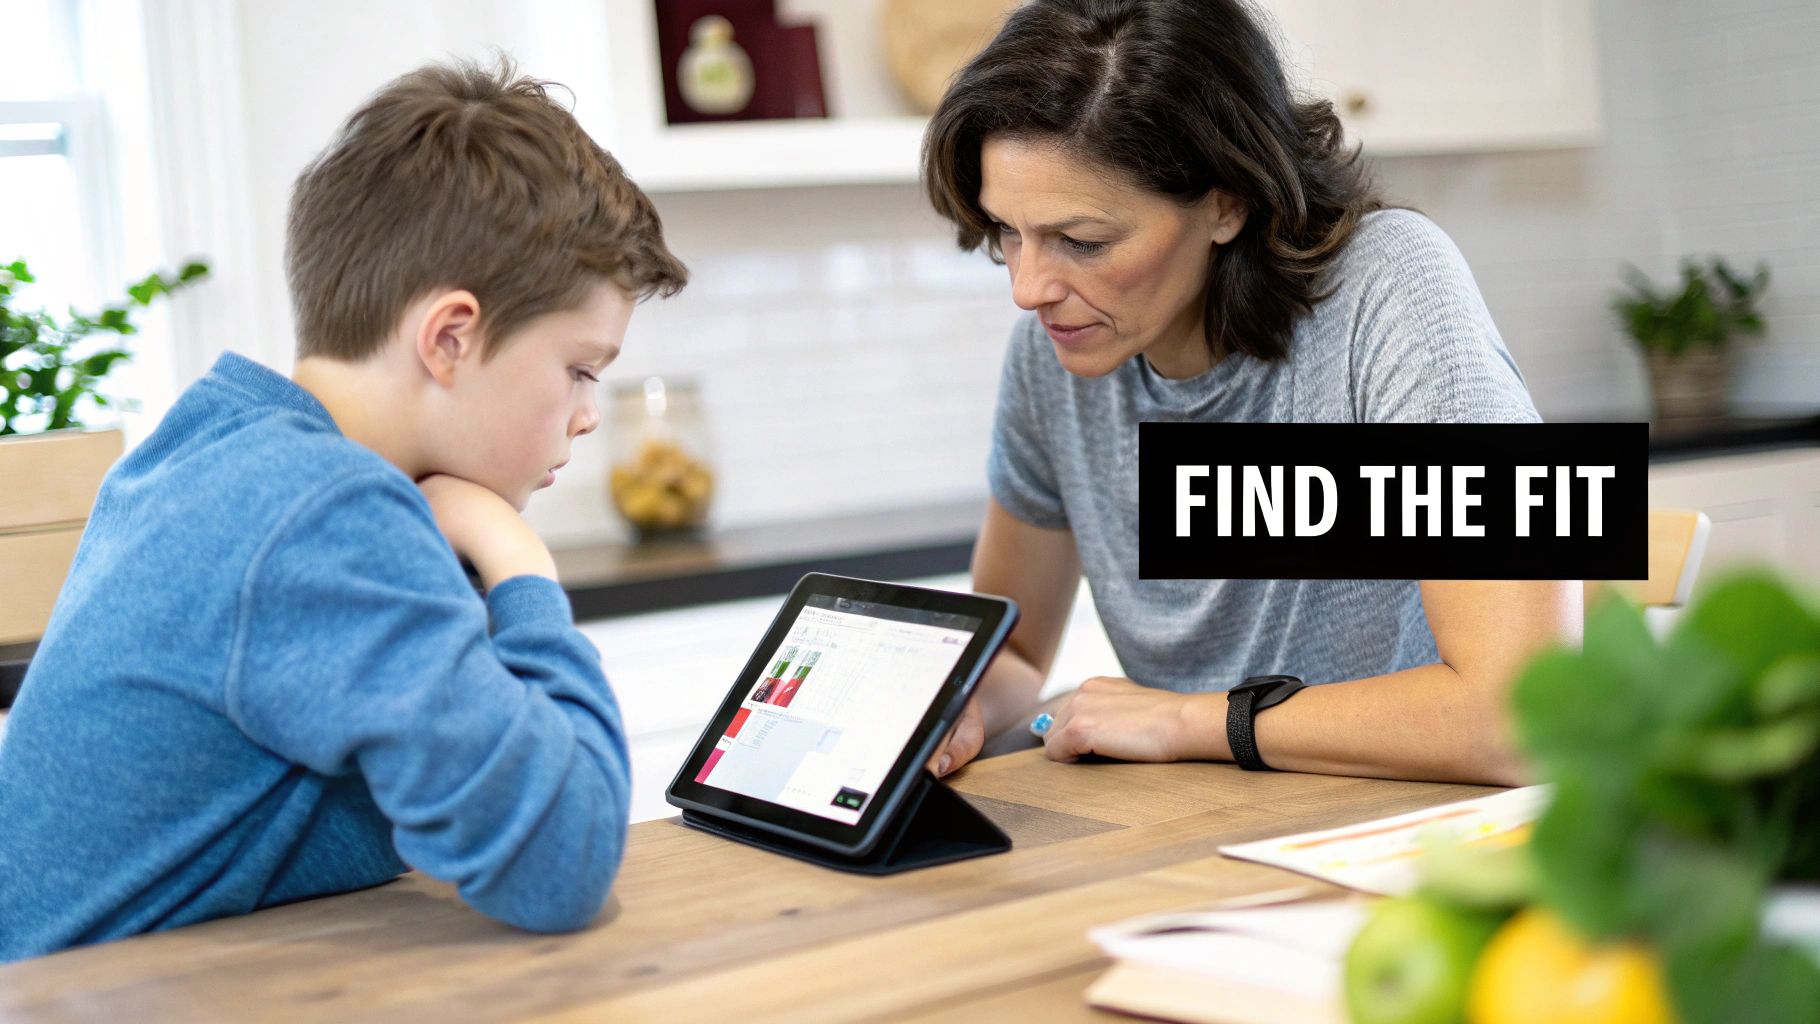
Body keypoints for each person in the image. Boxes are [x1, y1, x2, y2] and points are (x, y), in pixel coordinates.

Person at [0, 58, 687, 962]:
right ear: (450, 337)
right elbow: (565, 859)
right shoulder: (324, 515)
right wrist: (520, 565)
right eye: (580, 369)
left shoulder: (217, 443)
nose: (588, 413)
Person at [922, 0, 1580, 787]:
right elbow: (1019, 651)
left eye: (1083, 241)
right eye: (1008, 233)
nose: (1029, 289)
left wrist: (1184, 717)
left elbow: (1522, 719)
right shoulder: (1057, 350)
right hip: (1197, 814)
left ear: (1227, 202)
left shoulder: (1389, 288)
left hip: (1400, 826)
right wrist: (958, 702)